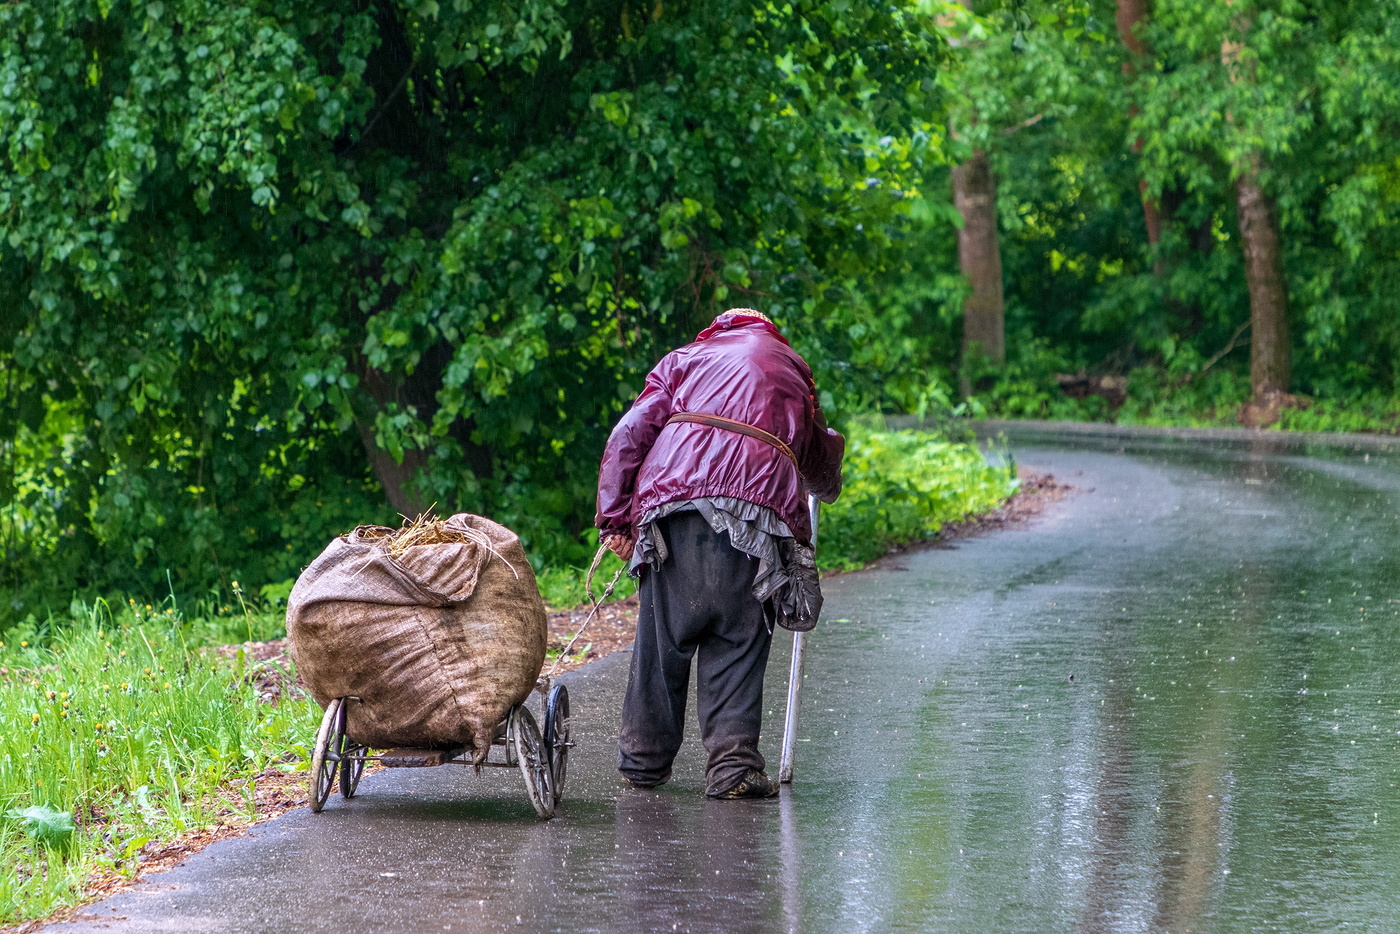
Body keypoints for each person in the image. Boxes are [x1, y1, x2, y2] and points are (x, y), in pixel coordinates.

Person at [595, 308, 844, 799]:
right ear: (770, 333)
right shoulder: (793, 370)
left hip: (675, 509)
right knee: (740, 637)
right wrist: (828, 481)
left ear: (718, 329)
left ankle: (643, 763)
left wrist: (614, 518)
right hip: (756, 519)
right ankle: (732, 768)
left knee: (661, 641)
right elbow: (819, 460)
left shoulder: (685, 359)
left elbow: (628, 435)